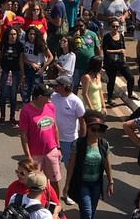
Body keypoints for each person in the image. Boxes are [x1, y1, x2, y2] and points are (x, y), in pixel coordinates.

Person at [65, 110, 114, 219]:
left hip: (96, 184)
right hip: (82, 184)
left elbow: (107, 164)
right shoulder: (77, 144)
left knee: (92, 211)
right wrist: (67, 184)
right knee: (87, 212)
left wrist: (110, 181)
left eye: (99, 130)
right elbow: (72, 164)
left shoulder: (104, 144)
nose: (96, 133)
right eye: (93, 129)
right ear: (87, 128)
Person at [19, 83, 62, 199]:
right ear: (39, 97)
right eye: (47, 96)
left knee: (55, 180)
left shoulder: (50, 106)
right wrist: (28, 156)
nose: (50, 98)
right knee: (34, 183)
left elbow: (55, 127)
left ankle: (56, 203)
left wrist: (58, 148)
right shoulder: (26, 111)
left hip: (51, 151)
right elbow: (23, 135)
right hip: (35, 154)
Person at [47, 75, 85, 205]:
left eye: (57, 85)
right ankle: (51, 194)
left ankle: (68, 192)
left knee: (71, 169)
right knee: (54, 169)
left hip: (70, 140)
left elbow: (82, 121)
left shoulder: (76, 101)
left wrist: (81, 140)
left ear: (64, 87)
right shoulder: (52, 97)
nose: (54, 86)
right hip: (53, 139)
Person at [0, 26, 24, 126]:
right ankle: (2, 116)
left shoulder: (19, 45)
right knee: (3, 94)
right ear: (7, 35)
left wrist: (22, 74)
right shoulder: (2, 44)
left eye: (15, 34)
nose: (13, 36)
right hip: (4, 71)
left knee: (13, 95)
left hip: (15, 72)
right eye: (11, 34)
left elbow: (21, 60)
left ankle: (12, 116)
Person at [101, 17, 135, 103]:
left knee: (130, 78)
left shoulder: (121, 36)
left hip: (121, 62)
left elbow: (123, 48)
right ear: (110, 27)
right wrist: (118, 51)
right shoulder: (107, 37)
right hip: (111, 63)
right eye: (113, 26)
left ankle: (130, 94)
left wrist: (124, 58)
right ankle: (109, 98)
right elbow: (106, 51)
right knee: (111, 81)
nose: (115, 28)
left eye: (117, 26)